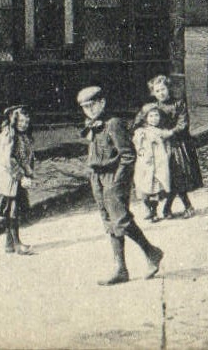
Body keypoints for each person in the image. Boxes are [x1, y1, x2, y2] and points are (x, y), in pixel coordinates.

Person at [77, 85, 163, 284]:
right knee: (109, 222)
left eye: (92, 105)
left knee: (121, 220)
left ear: (102, 103)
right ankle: (121, 268)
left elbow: (128, 155)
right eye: (84, 107)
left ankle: (152, 252)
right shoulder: (92, 124)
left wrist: (117, 182)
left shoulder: (113, 123)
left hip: (113, 178)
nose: (89, 110)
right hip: (97, 178)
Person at [134, 73, 202, 218]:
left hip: (177, 144)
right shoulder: (153, 107)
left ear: (168, 89)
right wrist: (143, 132)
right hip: (158, 147)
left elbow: (183, 124)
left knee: (178, 176)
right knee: (159, 178)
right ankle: (156, 210)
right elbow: (139, 122)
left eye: (163, 89)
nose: (161, 93)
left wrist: (169, 133)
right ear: (153, 93)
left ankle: (183, 206)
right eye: (157, 91)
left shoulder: (178, 103)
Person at [0, 104, 37, 254]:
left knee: (13, 210)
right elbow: (9, 160)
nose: (24, 125)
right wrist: (21, 177)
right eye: (20, 122)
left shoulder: (24, 136)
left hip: (14, 178)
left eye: (26, 122)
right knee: (12, 211)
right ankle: (17, 244)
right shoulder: (8, 135)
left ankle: (9, 243)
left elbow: (26, 158)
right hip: (6, 178)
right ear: (14, 121)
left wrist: (29, 174)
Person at [132, 102, 172, 220]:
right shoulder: (141, 131)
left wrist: (166, 156)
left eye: (156, 116)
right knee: (144, 188)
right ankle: (148, 209)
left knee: (156, 189)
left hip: (159, 164)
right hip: (145, 164)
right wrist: (142, 155)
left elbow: (168, 145)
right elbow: (138, 147)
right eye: (151, 116)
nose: (154, 119)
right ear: (145, 118)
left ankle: (154, 211)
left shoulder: (162, 131)